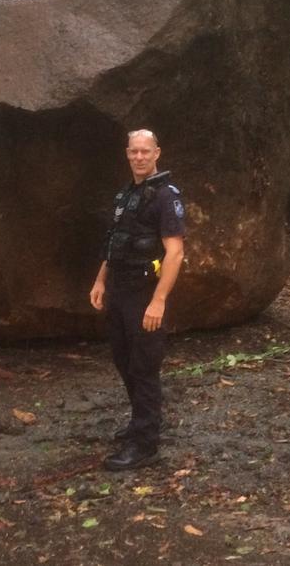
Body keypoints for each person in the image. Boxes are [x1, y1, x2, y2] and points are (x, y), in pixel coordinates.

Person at [90, 129, 185, 471]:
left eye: (146, 151)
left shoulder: (165, 196)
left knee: (144, 366)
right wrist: (101, 280)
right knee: (124, 359)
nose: (140, 157)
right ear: (127, 154)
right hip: (119, 288)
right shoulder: (126, 195)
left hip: (145, 293)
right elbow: (115, 242)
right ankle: (141, 422)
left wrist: (158, 301)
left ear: (157, 152)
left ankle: (145, 444)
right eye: (134, 152)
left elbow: (175, 253)